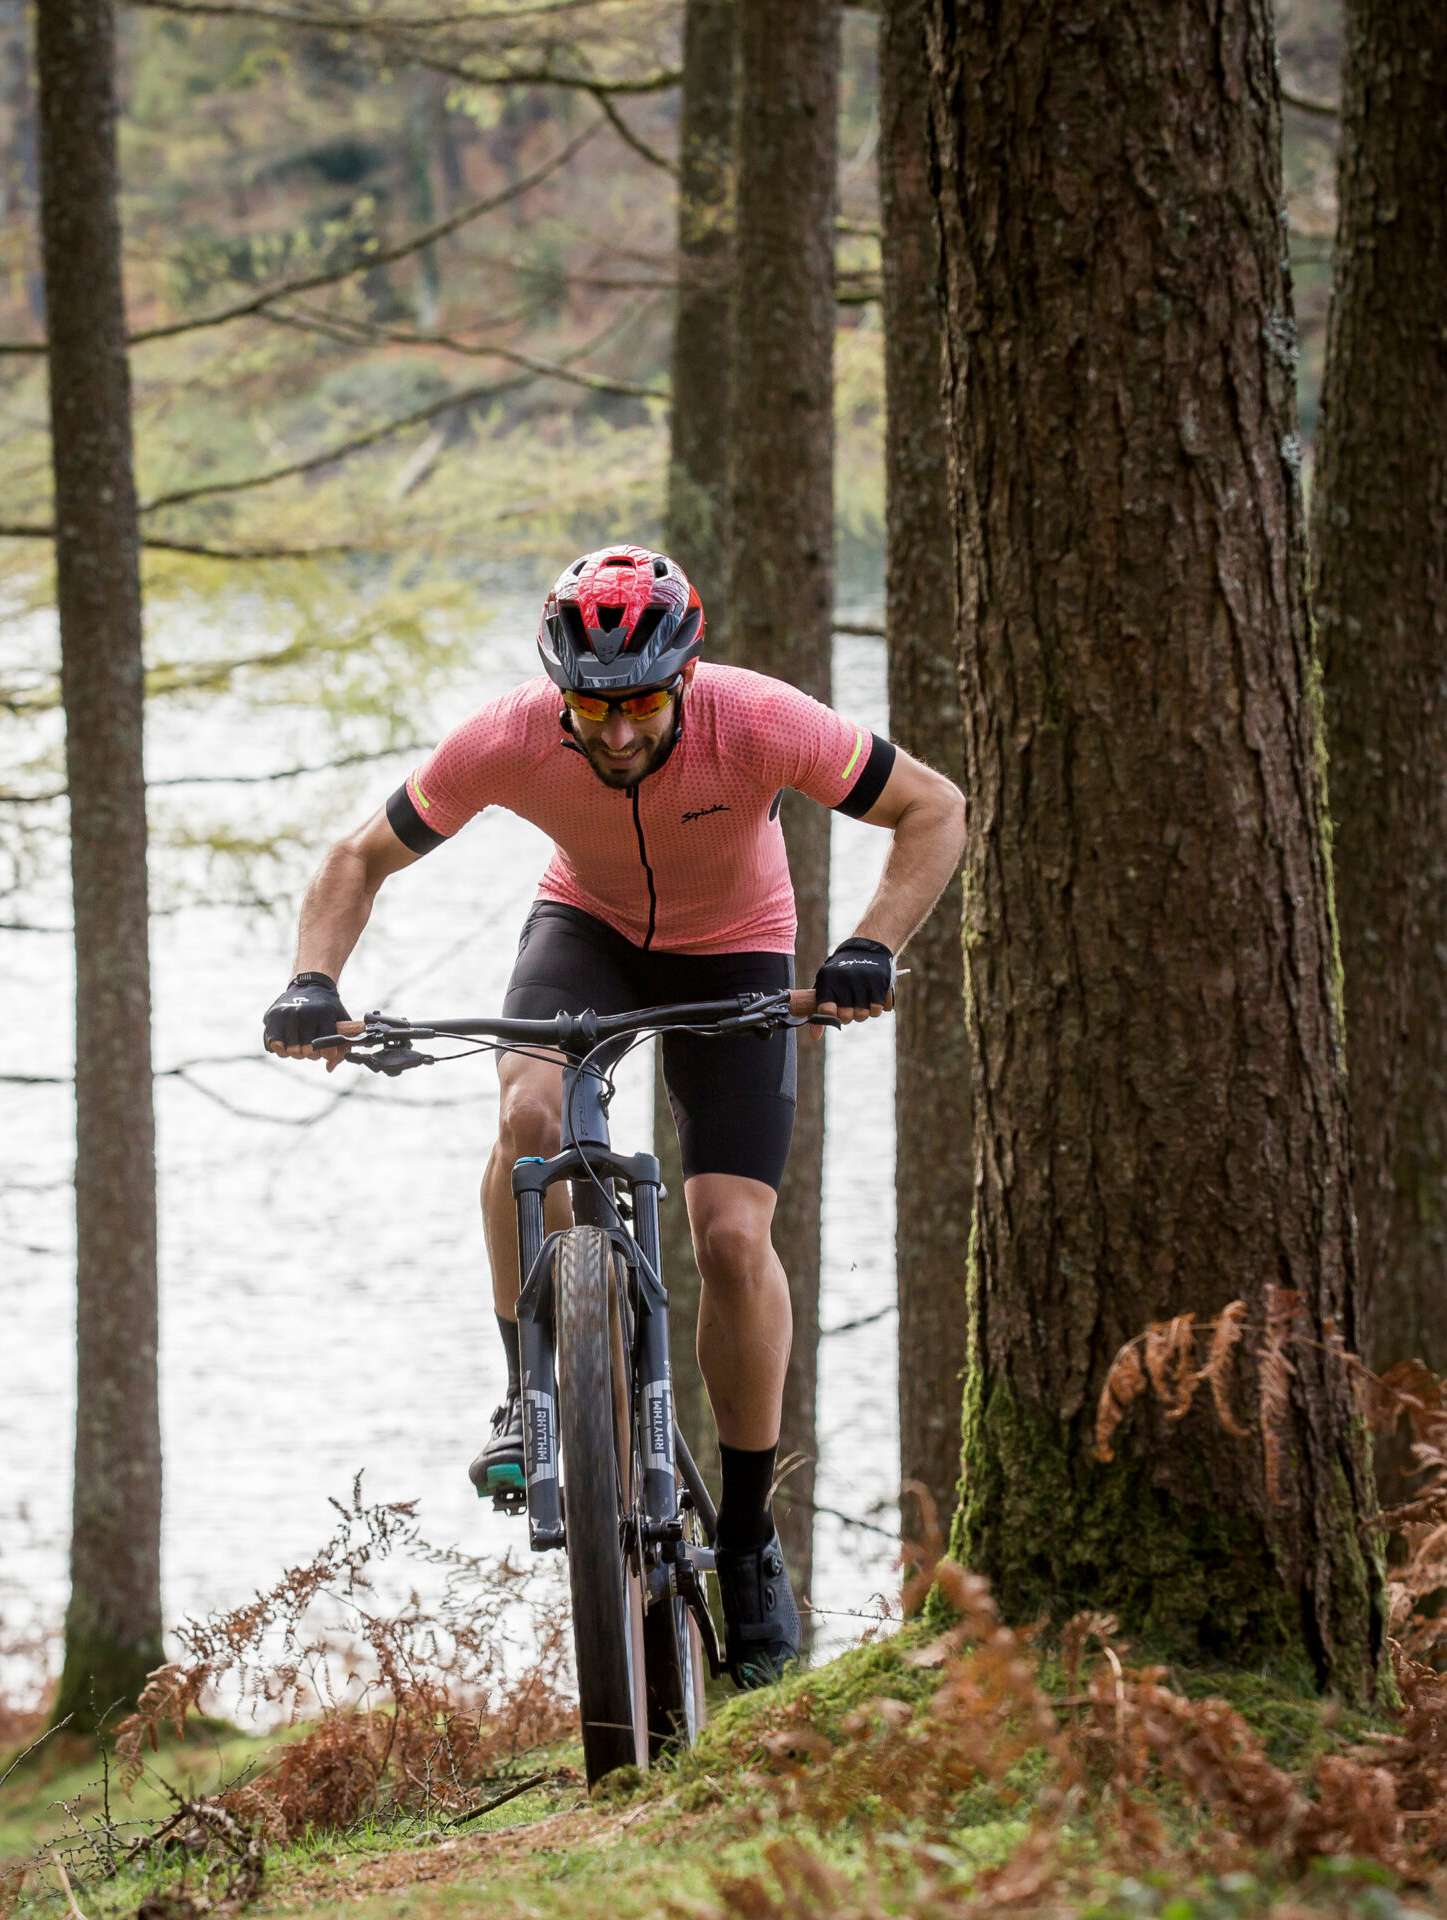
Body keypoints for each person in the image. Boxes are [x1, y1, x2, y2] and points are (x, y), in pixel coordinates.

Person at [262, 544, 966, 1686]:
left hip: (738, 946)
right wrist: (312, 983)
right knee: (527, 1114)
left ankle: (743, 1539)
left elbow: (933, 809)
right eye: (593, 708)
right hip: (582, 934)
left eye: (642, 703)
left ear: (683, 680)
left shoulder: (760, 720)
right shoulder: (507, 737)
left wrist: (869, 948)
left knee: (732, 1237)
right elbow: (360, 856)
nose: (620, 731)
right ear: (560, 695)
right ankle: (524, 1393)